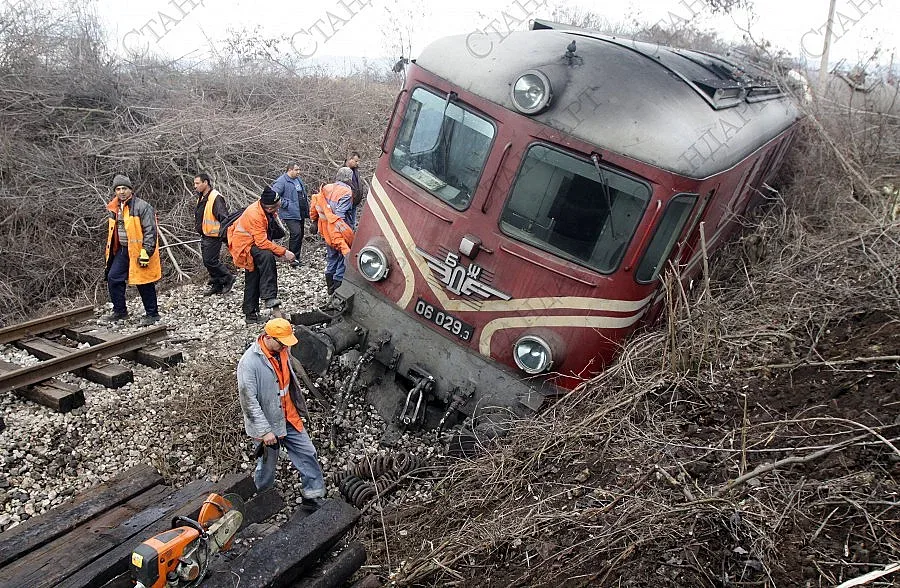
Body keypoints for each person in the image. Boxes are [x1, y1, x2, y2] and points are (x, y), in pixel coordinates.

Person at [236, 318, 326, 506]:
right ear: (268, 337)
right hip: (268, 424)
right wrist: (264, 431)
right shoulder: (249, 363)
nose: (285, 346)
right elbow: (248, 401)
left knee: (308, 452)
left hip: (289, 416)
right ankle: (263, 498)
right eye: (281, 342)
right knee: (267, 466)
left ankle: (313, 494)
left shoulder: (283, 350)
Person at [227, 187, 295, 324]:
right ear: (269, 208)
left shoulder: (265, 208)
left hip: (251, 243)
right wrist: (283, 252)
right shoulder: (255, 214)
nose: (277, 211)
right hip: (244, 246)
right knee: (266, 256)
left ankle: (251, 315)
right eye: (276, 208)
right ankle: (269, 296)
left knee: (253, 277)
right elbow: (262, 242)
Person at [103, 175, 162, 326]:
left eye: (124, 188)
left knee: (144, 282)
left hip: (138, 251)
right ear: (115, 191)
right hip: (123, 250)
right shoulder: (114, 207)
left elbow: (151, 231)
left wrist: (146, 251)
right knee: (113, 277)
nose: (121, 192)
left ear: (130, 190)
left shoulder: (142, 207)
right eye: (118, 189)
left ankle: (152, 314)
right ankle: (120, 311)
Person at [309, 167, 355, 297]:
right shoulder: (347, 192)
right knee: (342, 259)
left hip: (325, 230)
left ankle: (330, 288)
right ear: (349, 178)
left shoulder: (326, 188)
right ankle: (336, 289)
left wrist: (314, 221)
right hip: (339, 231)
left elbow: (315, 204)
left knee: (331, 258)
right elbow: (339, 217)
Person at [193, 173, 236, 296]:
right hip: (206, 234)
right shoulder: (202, 197)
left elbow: (224, 217)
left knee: (210, 260)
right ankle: (217, 284)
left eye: (197, 183)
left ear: (205, 183)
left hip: (214, 234)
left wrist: (224, 235)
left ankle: (228, 277)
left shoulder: (215, 197)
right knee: (208, 261)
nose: (195, 186)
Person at [271, 162, 309, 268]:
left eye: (299, 169)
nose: (298, 172)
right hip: (289, 213)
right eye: (296, 170)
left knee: (300, 234)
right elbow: (274, 195)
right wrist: (287, 204)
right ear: (289, 170)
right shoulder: (282, 181)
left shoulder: (298, 180)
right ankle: (292, 259)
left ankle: (297, 257)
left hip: (300, 212)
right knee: (296, 233)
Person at [344, 151, 367, 229]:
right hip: (347, 203)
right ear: (350, 159)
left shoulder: (355, 171)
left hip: (354, 203)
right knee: (348, 226)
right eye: (356, 161)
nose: (358, 163)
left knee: (352, 225)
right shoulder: (344, 172)